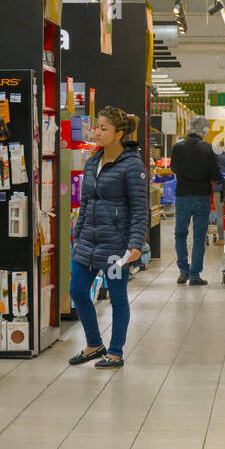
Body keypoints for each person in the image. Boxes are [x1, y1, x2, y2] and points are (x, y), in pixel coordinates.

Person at [68, 108, 149, 369]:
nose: (97, 132)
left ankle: (115, 352)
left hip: (117, 246)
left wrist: (135, 244)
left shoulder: (132, 165)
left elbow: (139, 207)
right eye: (97, 127)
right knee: (77, 290)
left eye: (103, 128)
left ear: (119, 134)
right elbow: (86, 202)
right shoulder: (93, 161)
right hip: (89, 242)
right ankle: (94, 344)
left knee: (117, 297)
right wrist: (78, 235)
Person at [170, 115, 221, 285]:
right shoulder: (208, 149)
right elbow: (215, 175)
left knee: (180, 234)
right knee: (199, 237)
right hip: (202, 196)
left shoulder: (177, 148)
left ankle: (183, 271)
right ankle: (194, 275)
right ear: (204, 132)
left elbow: (174, 168)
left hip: (182, 195)